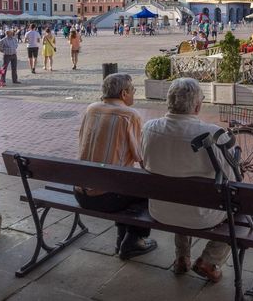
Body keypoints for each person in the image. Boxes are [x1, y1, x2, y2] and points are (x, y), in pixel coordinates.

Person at [141, 78, 233, 282]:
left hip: (160, 209)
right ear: (198, 106)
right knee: (236, 208)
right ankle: (209, 260)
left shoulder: (149, 128)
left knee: (177, 193)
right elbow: (232, 178)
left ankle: (182, 257)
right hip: (200, 215)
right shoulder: (213, 134)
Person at [74, 73, 157, 259]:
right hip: (107, 197)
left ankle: (122, 237)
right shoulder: (130, 115)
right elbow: (141, 158)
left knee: (123, 181)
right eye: (133, 90)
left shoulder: (91, 109)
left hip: (80, 192)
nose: (134, 93)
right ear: (124, 93)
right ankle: (134, 239)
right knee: (149, 188)